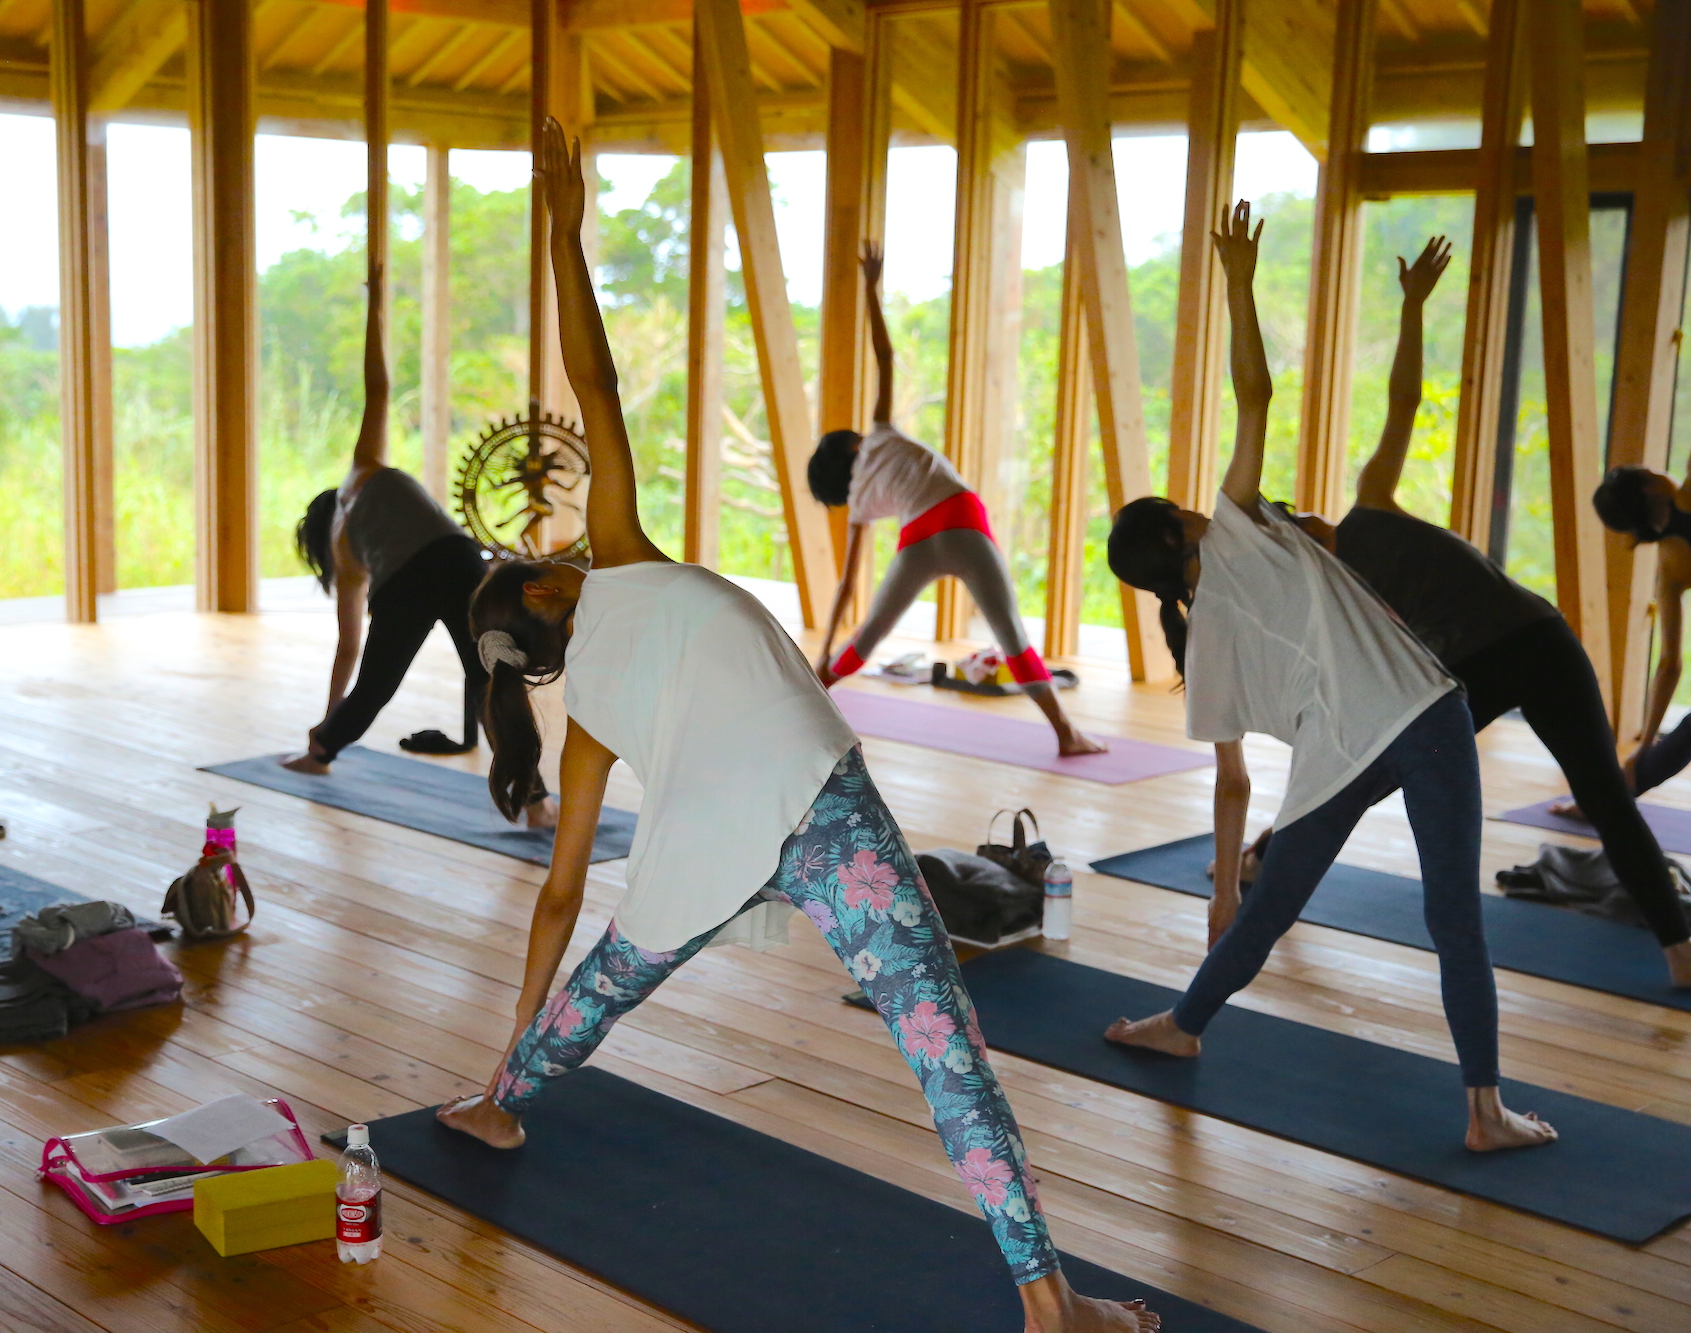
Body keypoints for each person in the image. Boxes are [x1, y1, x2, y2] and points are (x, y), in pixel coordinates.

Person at [435, 118, 1161, 1333]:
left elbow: (559, 900)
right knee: (941, 1046)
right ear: (549, 587)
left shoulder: (583, 720)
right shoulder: (617, 558)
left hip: (703, 854)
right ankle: (1047, 1301)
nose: (556, 547)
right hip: (821, 808)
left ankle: (496, 1102)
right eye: (542, 554)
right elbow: (594, 385)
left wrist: (509, 1050)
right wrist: (562, 234)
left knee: (599, 989)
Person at [1101, 202, 1555, 1154]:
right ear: (1182, 526)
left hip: (1340, 750)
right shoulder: (1234, 531)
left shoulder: (1199, 636)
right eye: (1184, 505)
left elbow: (1231, 779)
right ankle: (1484, 1112)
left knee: (1270, 904)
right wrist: (1236, 281)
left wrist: (1224, 886)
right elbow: (1255, 395)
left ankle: (1183, 1024)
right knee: (1453, 918)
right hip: (1421, 717)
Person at [1246, 235, 1691, 989]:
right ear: (1297, 546)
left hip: (1539, 640)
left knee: (1606, 796)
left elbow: (1403, 401)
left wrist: (1412, 307)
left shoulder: (1370, 502)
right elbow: (1348, 705)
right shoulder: (1333, 595)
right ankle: (1270, 859)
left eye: (1295, 509)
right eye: (1292, 522)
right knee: (1367, 775)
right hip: (1471, 672)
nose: (1307, 514)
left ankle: (1683, 954)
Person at [278, 258, 556, 826]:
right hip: (458, 559)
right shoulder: (363, 472)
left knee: (378, 683)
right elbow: (378, 389)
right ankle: (536, 801)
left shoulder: (346, 552)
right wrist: (375, 305)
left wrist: (325, 724)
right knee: (492, 677)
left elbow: (349, 652)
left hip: (406, 583)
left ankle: (320, 753)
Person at [805, 246, 1104, 758]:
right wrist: (872, 289)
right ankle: (1066, 734)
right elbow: (885, 356)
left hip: (918, 542)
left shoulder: (857, 503)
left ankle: (808, 699)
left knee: (869, 636)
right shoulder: (880, 432)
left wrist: (825, 649)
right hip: (962, 526)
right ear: (852, 445)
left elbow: (847, 584)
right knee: (1011, 636)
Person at [1589, 230, 1691, 820]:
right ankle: (1621, 789)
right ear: (1651, 486)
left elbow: (1670, 665)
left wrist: (1644, 746)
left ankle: (1622, 789)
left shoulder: (1669, 566)